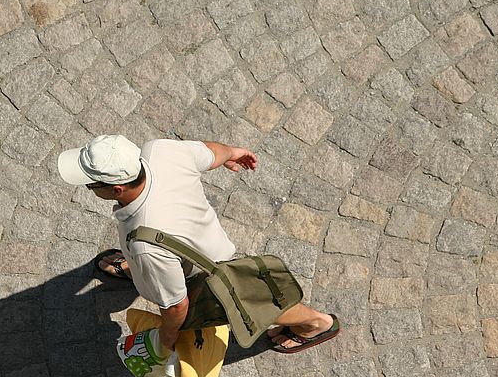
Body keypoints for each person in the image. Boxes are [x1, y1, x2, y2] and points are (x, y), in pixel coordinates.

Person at [57, 134, 340, 355]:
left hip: (204, 275)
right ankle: (139, 271)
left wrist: (165, 341)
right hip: (199, 245)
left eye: (90, 185)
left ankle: (317, 323)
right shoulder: (160, 151)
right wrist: (233, 153)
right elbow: (211, 152)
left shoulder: (145, 247)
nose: (88, 189)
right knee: (150, 262)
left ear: (117, 189)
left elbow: (177, 306)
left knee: (254, 304)